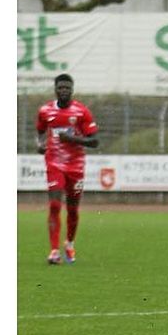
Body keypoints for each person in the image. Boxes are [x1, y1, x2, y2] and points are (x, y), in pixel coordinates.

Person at [36, 73, 99, 265]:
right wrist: (40, 144)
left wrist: (73, 139)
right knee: (55, 205)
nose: (64, 91)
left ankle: (69, 243)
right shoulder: (45, 111)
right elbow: (40, 130)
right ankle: (54, 251)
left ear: (72, 90)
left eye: (67, 88)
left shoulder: (81, 112)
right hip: (54, 162)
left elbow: (95, 141)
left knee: (72, 209)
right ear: (55, 89)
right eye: (60, 88)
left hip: (75, 165)